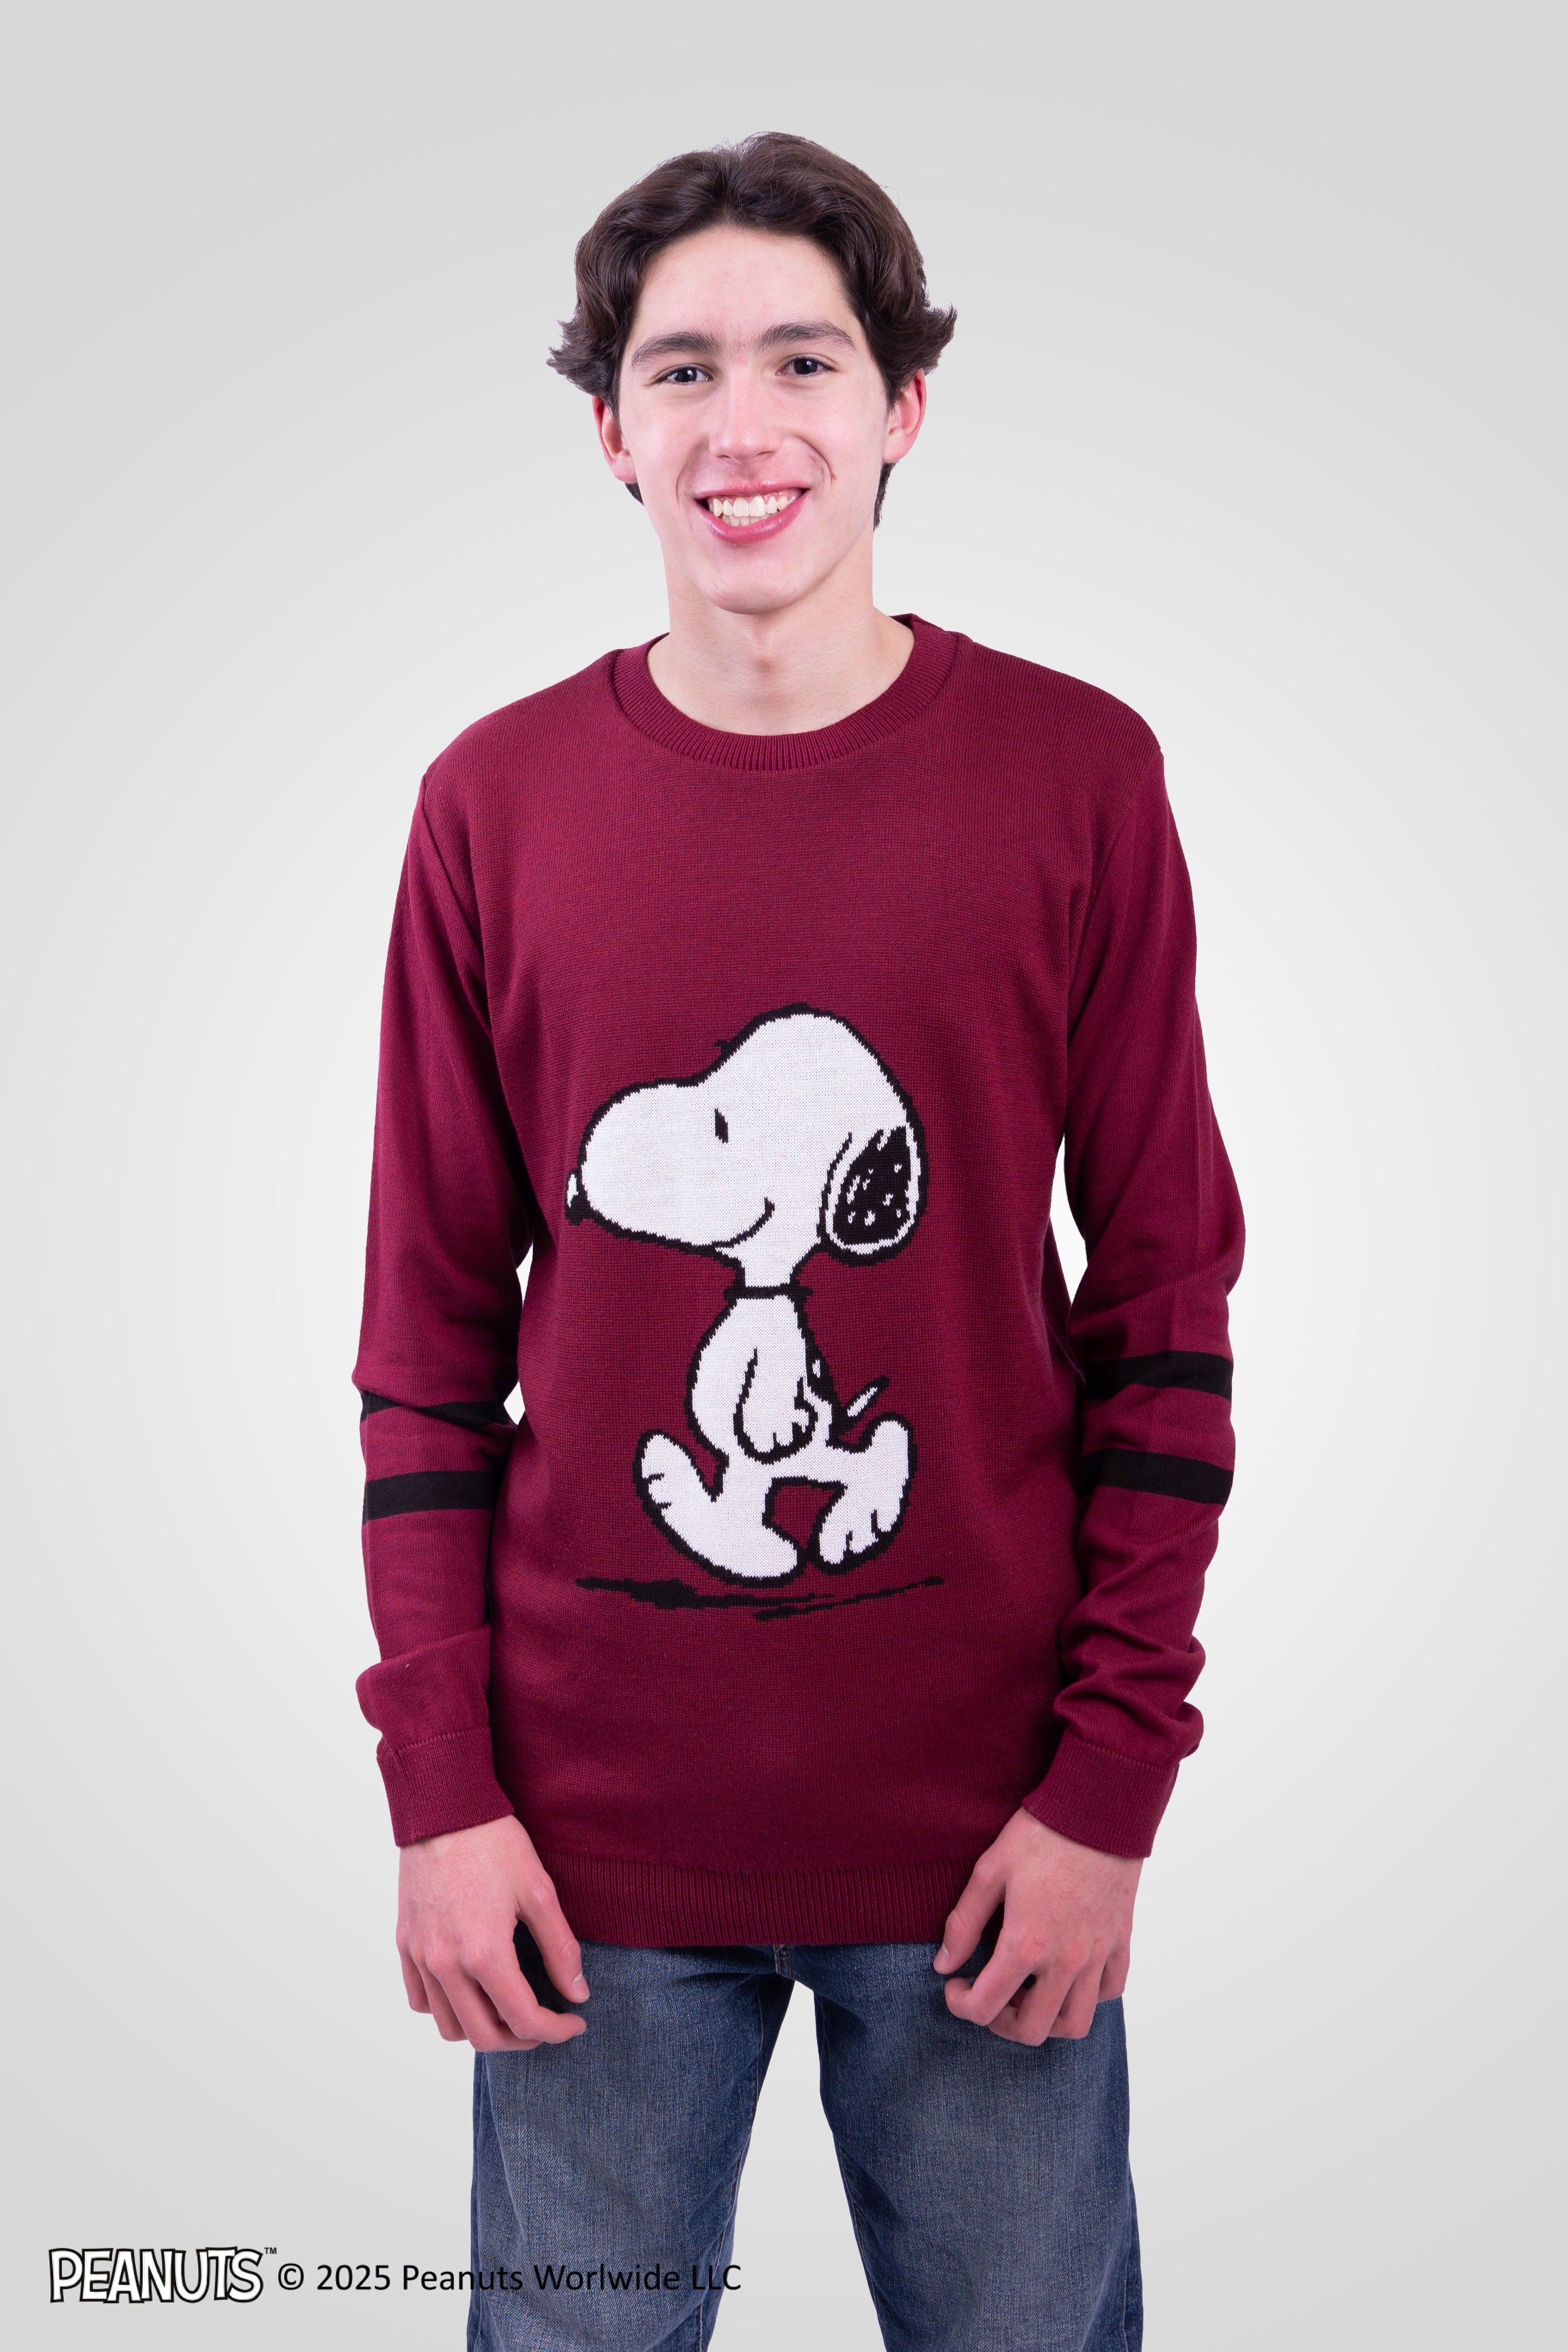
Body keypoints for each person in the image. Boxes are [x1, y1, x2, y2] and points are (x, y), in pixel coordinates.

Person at [352, 131, 1244, 2352]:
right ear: (608, 428)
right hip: (584, 1867)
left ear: (902, 405)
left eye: (803, 361)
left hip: (991, 1853)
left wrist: (1111, 1788)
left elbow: (1165, 1308)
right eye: (681, 370)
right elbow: (429, 1351)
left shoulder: (1076, 782)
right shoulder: (491, 809)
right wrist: (440, 1793)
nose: (741, 426)